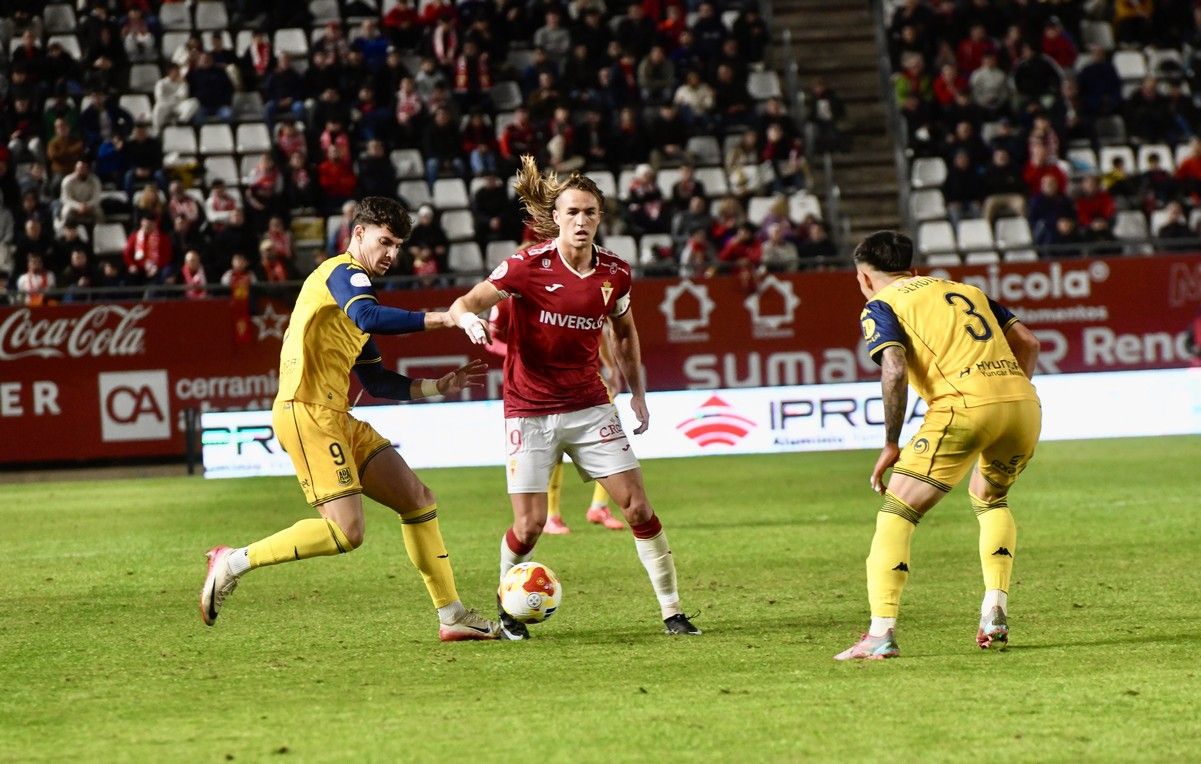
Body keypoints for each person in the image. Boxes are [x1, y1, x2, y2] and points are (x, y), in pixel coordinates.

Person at [199, 197, 501, 641]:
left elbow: (377, 382)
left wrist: (439, 386)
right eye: (385, 241)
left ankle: (451, 615)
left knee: (417, 498)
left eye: (397, 245)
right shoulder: (343, 274)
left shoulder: (355, 298)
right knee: (347, 532)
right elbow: (368, 315)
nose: (392, 254)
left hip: (337, 415)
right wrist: (447, 318)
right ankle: (232, 561)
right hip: (305, 411)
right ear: (358, 234)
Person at [447, 156, 700, 640]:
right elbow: (465, 302)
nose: (581, 221)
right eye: (573, 213)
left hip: (590, 407)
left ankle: (672, 611)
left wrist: (639, 394)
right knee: (531, 525)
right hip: (529, 410)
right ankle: (507, 608)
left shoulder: (615, 274)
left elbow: (624, 335)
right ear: (556, 217)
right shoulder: (525, 267)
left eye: (590, 213)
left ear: (599, 218)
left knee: (639, 509)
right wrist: (468, 320)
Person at [835, 231, 1041, 661]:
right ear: (911, 270)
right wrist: (1006, 394)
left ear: (864, 278)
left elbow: (892, 368)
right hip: (1022, 403)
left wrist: (891, 442)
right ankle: (994, 607)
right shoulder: (967, 290)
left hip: (962, 406)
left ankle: (880, 633)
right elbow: (1029, 342)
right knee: (990, 500)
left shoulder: (882, 304)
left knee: (898, 512)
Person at [484, 299, 625, 535]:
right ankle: (552, 515)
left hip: (583, 379)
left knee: (612, 435)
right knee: (554, 445)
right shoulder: (505, 299)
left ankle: (599, 506)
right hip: (536, 384)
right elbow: (491, 338)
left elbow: (597, 329)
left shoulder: (562, 291)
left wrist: (610, 368)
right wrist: (515, 352)